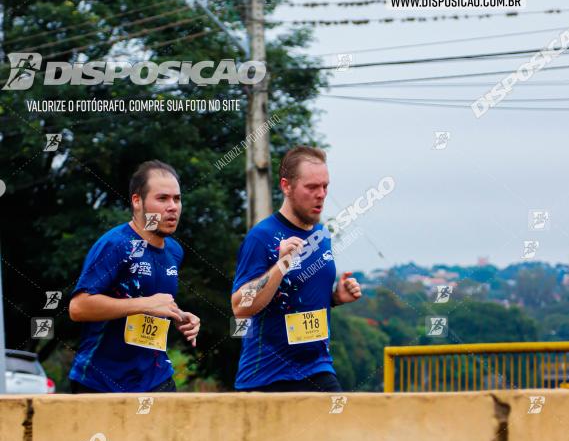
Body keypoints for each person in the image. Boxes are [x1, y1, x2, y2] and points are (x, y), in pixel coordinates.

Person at [231, 145, 362, 392]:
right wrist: (280, 266)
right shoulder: (262, 237)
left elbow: (301, 294)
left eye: (325, 186)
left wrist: (335, 298)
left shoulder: (322, 235)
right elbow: (239, 307)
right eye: (312, 187)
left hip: (318, 369)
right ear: (286, 186)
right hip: (267, 377)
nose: (321, 194)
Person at [68, 160, 200, 393]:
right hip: (102, 382)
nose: (173, 207)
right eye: (162, 199)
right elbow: (78, 307)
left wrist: (178, 316)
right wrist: (145, 304)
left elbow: (152, 297)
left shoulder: (174, 251)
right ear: (137, 201)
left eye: (177, 199)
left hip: (156, 379)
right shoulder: (117, 245)